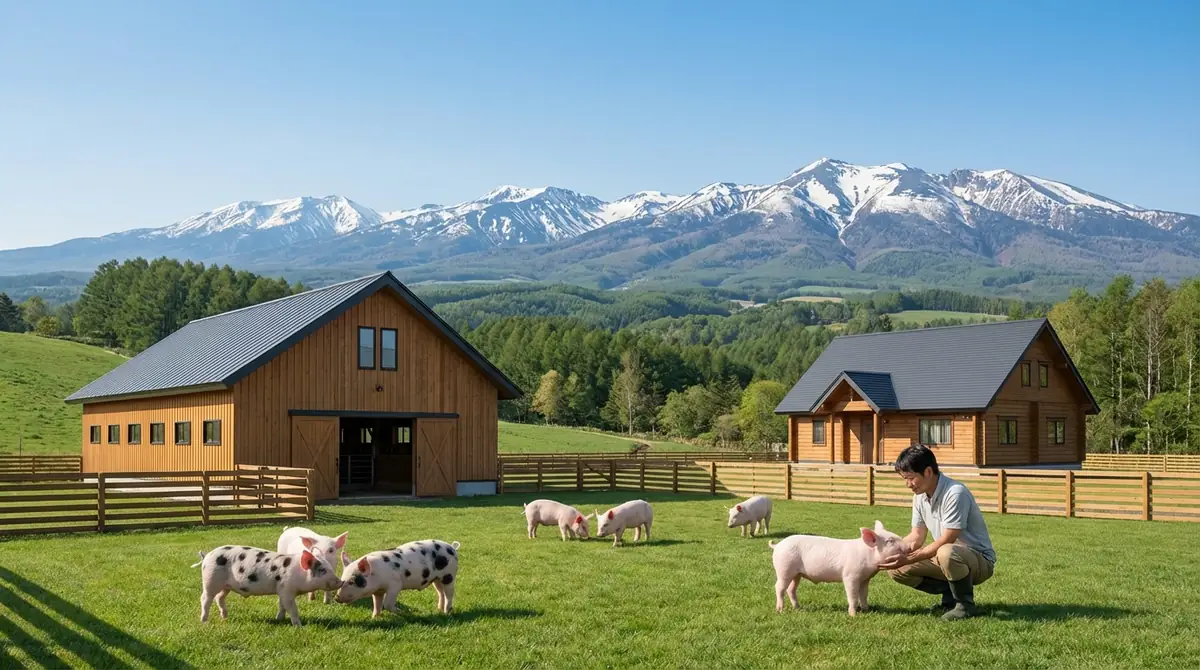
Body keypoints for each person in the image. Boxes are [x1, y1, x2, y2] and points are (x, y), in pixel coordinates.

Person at [878, 443, 996, 620]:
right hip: (946, 557)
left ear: (927, 472)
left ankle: (965, 605)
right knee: (898, 569)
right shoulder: (919, 497)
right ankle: (950, 597)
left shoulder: (955, 493)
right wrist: (891, 552)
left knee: (946, 551)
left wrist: (909, 557)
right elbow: (916, 536)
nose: (908, 484)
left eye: (910, 478)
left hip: (979, 560)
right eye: (904, 479)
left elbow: (948, 539)